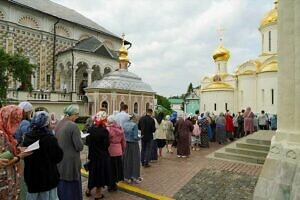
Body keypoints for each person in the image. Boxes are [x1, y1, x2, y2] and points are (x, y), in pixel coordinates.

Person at [23, 111, 63, 200]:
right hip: (47, 178)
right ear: (47, 123)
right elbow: (58, 157)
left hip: (32, 177)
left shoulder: (27, 137)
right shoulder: (49, 138)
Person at [0, 105, 33, 199]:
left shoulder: (6, 132)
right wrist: (20, 156)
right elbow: (3, 161)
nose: (17, 124)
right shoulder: (2, 135)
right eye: (14, 121)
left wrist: (18, 149)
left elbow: (7, 152)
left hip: (9, 178)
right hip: (5, 180)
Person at [55, 105, 84, 200]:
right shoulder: (73, 126)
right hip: (70, 161)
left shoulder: (59, 123)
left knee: (62, 184)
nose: (77, 117)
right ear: (73, 114)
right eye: (77, 115)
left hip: (60, 159)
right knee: (71, 187)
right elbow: (79, 146)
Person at [85, 111, 111, 199]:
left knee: (92, 173)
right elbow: (106, 144)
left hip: (92, 155)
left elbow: (87, 141)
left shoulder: (91, 129)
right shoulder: (104, 131)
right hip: (101, 156)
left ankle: (88, 190)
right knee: (100, 175)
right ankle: (98, 194)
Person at [106, 115, 126, 192]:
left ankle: (110, 185)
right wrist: (123, 150)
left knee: (110, 169)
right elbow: (123, 141)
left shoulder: (108, 129)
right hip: (118, 150)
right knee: (117, 169)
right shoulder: (120, 129)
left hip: (110, 150)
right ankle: (115, 184)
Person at [123, 114, 143, 183]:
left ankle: (126, 176)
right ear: (134, 119)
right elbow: (135, 137)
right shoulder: (134, 125)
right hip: (133, 144)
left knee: (127, 160)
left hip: (126, 144)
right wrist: (140, 137)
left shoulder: (124, 124)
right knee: (135, 160)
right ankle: (135, 176)